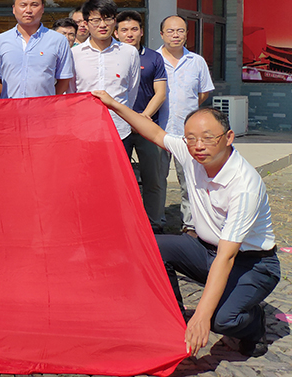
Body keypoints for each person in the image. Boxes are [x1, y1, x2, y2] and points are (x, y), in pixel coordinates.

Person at [92, 92, 279, 358]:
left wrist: (201, 317)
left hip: (253, 264)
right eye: (191, 138)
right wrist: (112, 103)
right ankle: (175, 319)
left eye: (208, 138)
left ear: (228, 137)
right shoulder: (191, 153)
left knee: (221, 320)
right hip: (206, 250)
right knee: (152, 247)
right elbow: (155, 133)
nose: (198, 146)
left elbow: (226, 257)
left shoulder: (244, 185)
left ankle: (254, 323)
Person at [158, 15, 215, 234]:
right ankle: (156, 221)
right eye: (170, 31)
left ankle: (190, 224)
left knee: (190, 180)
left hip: (188, 134)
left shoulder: (197, 61)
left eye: (180, 31)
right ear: (162, 34)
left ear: (186, 34)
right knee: (156, 181)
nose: (176, 35)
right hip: (158, 131)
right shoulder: (154, 59)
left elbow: (202, 93)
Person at [115, 10, 168, 232]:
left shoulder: (154, 58)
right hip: (118, 128)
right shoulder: (111, 57)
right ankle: (123, 224)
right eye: (124, 30)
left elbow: (160, 93)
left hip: (147, 127)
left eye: (134, 29)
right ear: (116, 33)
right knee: (118, 181)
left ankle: (155, 224)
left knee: (153, 179)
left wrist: (141, 118)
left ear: (142, 32)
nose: (129, 34)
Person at [72, 0, 140, 141]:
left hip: (120, 130)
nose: (102, 25)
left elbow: (131, 91)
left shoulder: (129, 52)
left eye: (107, 19)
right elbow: (71, 91)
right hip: (84, 130)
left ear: (114, 21)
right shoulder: (74, 54)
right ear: (86, 24)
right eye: (96, 20)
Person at [0, 0, 74, 98]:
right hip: (10, 106)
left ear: (42, 8)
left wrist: (47, 100)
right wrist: (6, 100)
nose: (28, 10)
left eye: (34, 5)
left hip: (43, 108)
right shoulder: (1, 40)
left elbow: (64, 79)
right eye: (23, 5)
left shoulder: (58, 40)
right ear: (14, 9)